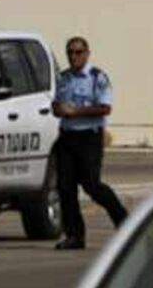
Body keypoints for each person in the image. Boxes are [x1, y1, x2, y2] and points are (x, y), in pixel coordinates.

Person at [51, 36, 128, 249]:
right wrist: (59, 110)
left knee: (92, 185)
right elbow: (56, 105)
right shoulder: (64, 78)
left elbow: (105, 107)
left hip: (89, 138)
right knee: (65, 187)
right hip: (67, 137)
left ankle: (123, 221)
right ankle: (74, 235)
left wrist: (75, 112)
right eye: (70, 52)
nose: (73, 56)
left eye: (78, 52)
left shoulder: (97, 78)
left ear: (86, 53)